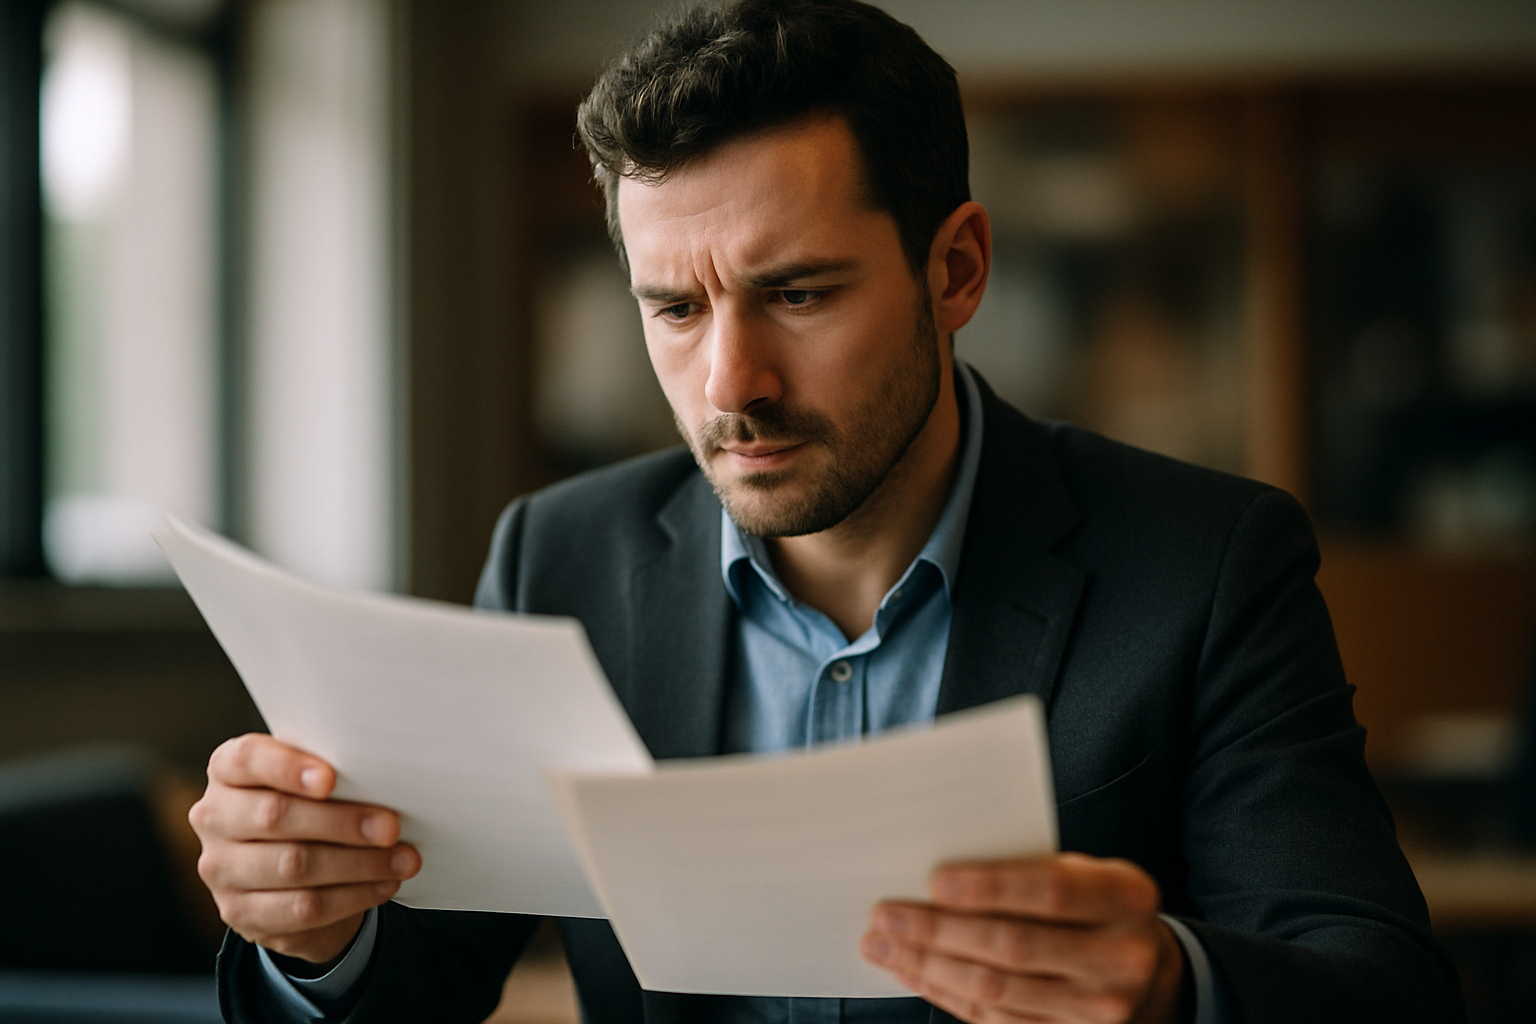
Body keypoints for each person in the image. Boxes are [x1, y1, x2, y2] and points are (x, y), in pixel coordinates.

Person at [190, 2, 1463, 1022]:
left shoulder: (1207, 561)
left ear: (954, 268)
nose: (728, 384)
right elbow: (416, 988)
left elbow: (1384, 985)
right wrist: (320, 936)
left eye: (797, 294)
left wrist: (1172, 987)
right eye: (675, 310)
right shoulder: (560, 556)